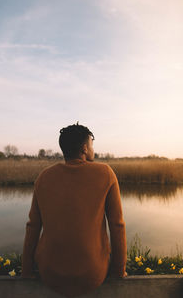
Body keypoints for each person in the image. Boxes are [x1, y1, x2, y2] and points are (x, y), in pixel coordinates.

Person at [21, 122, 127, 297]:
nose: (93, 149)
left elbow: (33, 226)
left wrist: (26, 271)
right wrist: (119, 270)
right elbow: (117, 225)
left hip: (50, 274)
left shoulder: (44, 177)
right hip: (93, 275)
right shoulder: (106, 173)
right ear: (85, 148)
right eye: (92, 145)